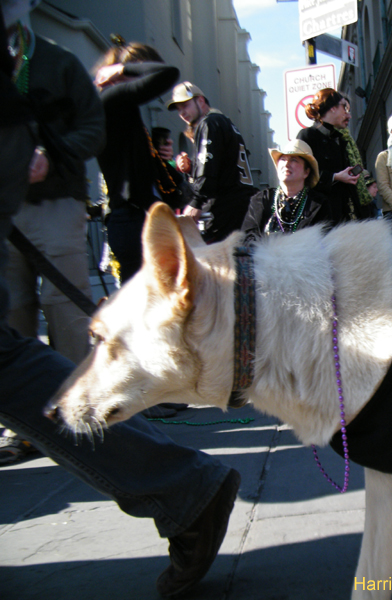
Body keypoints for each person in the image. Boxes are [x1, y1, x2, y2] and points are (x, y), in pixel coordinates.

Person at [0, 3, 239, 596]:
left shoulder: (86, 81)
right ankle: (175, 468)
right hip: (121, 214)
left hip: (113, 213)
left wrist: (110, 77)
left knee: (60, 339)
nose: (179, 111)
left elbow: (159, 75)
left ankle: (157, 434)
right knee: (21, 346)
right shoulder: (99, 93)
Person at [4, 9, 103, 365]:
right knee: (12, 310)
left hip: (56, 203)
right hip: (6, 209)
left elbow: (94, 129)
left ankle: (77, 392)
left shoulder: (60, 61)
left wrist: (52, 153)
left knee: (64, 306)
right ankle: (22, 398)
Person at [94, 40, 181, 283]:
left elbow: (136, 170)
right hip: (131, 220)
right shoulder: (112, 98)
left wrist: (158, 159)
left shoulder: (120, 107)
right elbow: (167, 73)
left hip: (133, 219)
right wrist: (121, 69)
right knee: (148, 298)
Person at [169, 81, 257, 243]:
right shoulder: (225, 123)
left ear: (200, 101)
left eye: (185, 105)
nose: (182, 113)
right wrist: (191, 168)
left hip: (224, 210)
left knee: (217, 256)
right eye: (178, 109)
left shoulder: (209, 123)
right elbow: (221, 166)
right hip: (240, 207)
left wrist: (196, 201)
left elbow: (208, 171)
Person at [296, 88, 370, 221]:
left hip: (346, 215)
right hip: (322, 217)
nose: (349, 115)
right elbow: (301, 176)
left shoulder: (340, 139)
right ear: (333, 108)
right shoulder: (307, 136)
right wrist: (335, 177)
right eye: (344, 107)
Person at [241, 139, 337, 240]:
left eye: (294, 160)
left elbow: (323, 241)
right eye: (283, 159)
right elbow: (248, 238)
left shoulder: (318, 205)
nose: (286, 164)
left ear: (306, 172)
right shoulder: (261, 200)